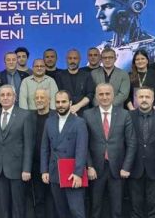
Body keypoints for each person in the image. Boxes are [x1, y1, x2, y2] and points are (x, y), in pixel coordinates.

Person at [84, 83, 136, 218]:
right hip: (95, 169)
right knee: (95, 208)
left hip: (118, 169)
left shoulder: (125, 114)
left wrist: (126, 167)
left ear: (113, 96)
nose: (104, 97)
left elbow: (131, 143)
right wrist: (89, 166)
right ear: (96, 96)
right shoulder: (87, 115)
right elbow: (84, 144)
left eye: (107, 94)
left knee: (117, 208)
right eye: (101, 94)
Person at [41, 90, 88, 218]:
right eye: (58, 102)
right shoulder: (49, 122)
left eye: (63, 102)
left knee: (77, 212)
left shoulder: (79, 122)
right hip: (54, 172)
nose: (60, 105)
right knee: (61, 212)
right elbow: (45, 148)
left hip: (73, 174)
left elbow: (81, 149)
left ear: (70, 103)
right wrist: (44, 170)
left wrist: (78, 173)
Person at [0, 85, 34, 218]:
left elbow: (28, 145)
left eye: (9, 94)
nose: (5, 97)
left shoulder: (25, 115)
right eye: (2, 95)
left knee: (18, 207)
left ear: (15, 97)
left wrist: (27, 169)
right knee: (3, 207)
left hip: (18, 169)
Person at [94, 0, 155, 71]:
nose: (98, 15)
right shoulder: (101, 49)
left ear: (135, 7)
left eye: (108, 6)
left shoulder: (153, 49)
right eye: (98, 8)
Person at [128, 87, 155, 218]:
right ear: (136, 99)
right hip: (134, 168)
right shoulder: (128, 116)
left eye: (147, 97)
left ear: (153, 99)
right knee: (135, 207)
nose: (144, 100)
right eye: (141, 97)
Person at [30, 89, 54, 218]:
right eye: (37, 97)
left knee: (55, 199)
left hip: (54, 164)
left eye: (42, 97)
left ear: (49, 100)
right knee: (38, 199)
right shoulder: (29, 117)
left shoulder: (57, 115)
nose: (39, 100)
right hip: (36, 166)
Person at [55, 49, 95, 116]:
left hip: (84, 113)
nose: (72, 61)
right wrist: (68, 108)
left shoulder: (87, 75)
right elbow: (58, 95)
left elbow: (90, 94)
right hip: (64, 113)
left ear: (79, 59)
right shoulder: (59, 76)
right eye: (70, 58)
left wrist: (78, 106)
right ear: (66, 60)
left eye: (75, 58)